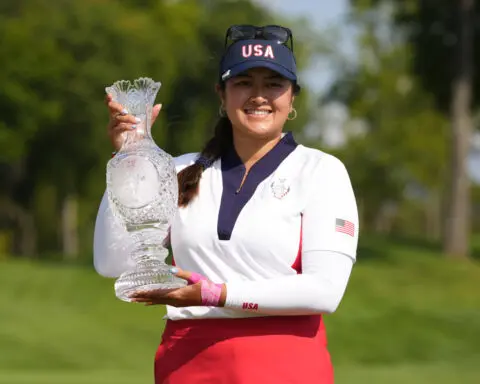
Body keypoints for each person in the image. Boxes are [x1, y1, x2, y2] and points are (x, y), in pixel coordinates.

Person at [94, 24, 359, 384]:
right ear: (221, 94)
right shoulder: (179, 169)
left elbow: (324, 291)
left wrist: (216, 293)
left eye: (274, 84)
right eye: (244, 82)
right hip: (187, 362)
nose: (259, 95)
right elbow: (112, 262)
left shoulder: (321, 171)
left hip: (287, 364)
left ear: (293, 96)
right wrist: (129, 157)